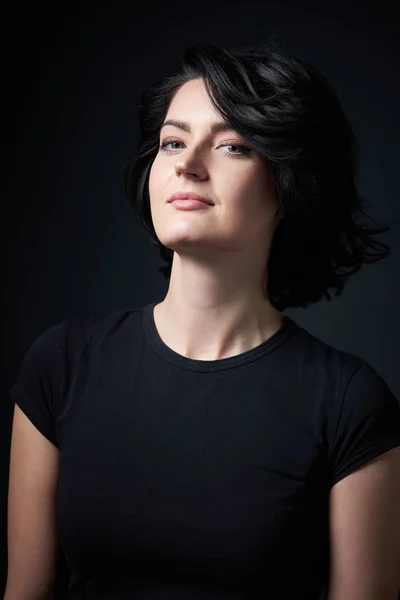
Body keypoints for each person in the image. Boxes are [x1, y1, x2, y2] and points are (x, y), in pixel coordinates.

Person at [6, 41, 400, 600]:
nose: (188, 165)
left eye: (233, 146)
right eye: (172, 142)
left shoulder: (349, 403)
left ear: (288, 187)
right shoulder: (61, 364)